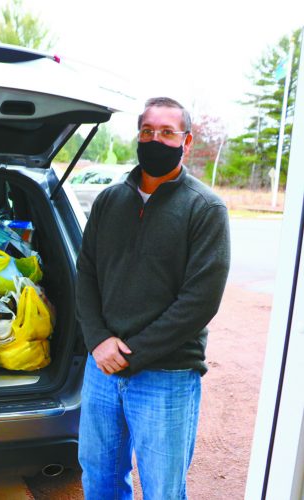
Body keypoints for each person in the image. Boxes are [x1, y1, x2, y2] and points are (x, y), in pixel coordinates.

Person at [75, 97, 230, 499]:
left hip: (167, 374)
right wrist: (98, 340)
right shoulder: (109, 201)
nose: (155, 140)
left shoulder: (205, 209)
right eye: (147, 131)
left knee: (162, 489)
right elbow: (86, 273)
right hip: (102, 369)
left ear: (187, 141)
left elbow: (199, 301)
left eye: (166, 133)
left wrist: (131, 353)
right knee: (99, 479)